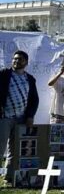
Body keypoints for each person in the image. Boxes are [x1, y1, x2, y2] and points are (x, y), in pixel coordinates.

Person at [0, 50, 39, 181]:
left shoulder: (30, 79)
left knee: (15, 149)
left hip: (21, 118)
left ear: (26, 62)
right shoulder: (4, 74)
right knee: (0, 147)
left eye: (20, 59)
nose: (16, 61)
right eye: (15, 59)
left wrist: (30, 116)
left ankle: (9, 177)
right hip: (4, 117)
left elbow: (34, 100)